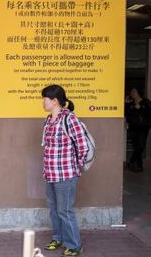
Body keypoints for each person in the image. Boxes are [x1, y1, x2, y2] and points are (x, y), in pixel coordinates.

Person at [41, 85, 88, 256]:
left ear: (54, 101)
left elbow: (82, 146)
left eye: (44, 98)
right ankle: (58, 237)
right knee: (54, 209)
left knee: (65, 210)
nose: (43, 102)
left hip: (66, 174)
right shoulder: (48, 119)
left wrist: (74, 166)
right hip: (50, 173)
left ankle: (75, 244)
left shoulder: (69, 119)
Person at [125, 88, 151, 172]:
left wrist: (141, 108)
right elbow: (125, 113)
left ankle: (131, 161)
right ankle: (139, 166)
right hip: (133, 128)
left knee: (141, 147)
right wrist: (125, 103)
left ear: (138, 92)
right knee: (136, 147)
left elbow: (149, 112)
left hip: (143, 127)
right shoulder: (130, 104)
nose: (132, 93)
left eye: (134, 91)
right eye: (131, 91)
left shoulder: (146, 102)